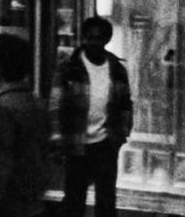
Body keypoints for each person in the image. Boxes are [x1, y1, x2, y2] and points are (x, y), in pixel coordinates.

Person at [49, 15, 132, 217]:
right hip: (76, 142)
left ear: (106, 39)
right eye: (90, 38)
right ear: (84, 38)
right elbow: (56, 105)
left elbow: (125, 104)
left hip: (105, 142)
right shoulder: (69, 67)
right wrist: (57, 138)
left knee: (106, 199)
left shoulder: (116, 69)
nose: (94, 43)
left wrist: (122, 135)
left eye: (99, 38)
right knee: (74, 197)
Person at [0, 34, 46, 217]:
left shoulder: (2, 106)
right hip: (30, 196)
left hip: (7, 198)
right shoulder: (34, 102)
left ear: (1, 64)